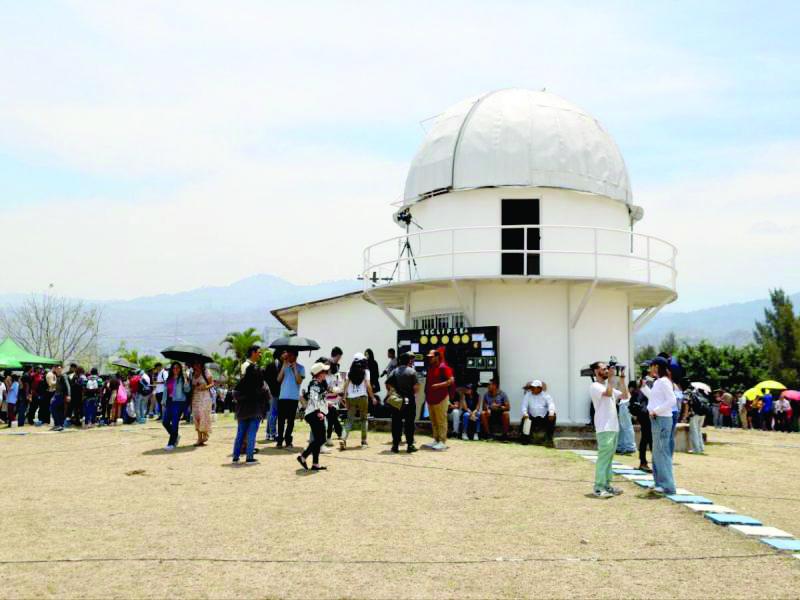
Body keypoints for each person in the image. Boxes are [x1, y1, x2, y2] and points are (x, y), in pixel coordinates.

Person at [589, 362, 627, 498]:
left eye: (607, 369)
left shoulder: (606, 385)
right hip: (604, 428)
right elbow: (608, 393)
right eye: (603, 369)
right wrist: (611, 379)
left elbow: (625, 396)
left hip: (613, 427)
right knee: (603, 458)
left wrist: (622, 380)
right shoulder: (595, 386)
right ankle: (598, 487)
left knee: (609, 458)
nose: (606, 370)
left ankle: (607, 485)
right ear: (595, 371)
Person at [641, 357, 677, 495]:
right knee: (657, 452)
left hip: (661, 419)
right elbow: (654, 399)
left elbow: (672, 400)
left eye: (652, 366)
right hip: (656, 418)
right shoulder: (658, 382)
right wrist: (644, 387)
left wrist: (656, 411)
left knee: (662, 452)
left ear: (657, 366)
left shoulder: (663, 382)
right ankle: (659, 483)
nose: (650, 368)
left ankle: (667, 485)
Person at [232, 345, 267, 464]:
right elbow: (262, 394)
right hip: (254, 408)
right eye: (259, 352)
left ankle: (236, 457)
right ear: (253, 353)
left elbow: (237, 392)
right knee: (251, 433)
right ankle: (249, 457)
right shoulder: (251, 371)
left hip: (242, 409)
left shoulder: (240, 384)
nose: (260, 354)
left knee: (240, 433)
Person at [297, 362, 330, 471]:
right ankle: (303, 457)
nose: (326, 373)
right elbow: (315, 398)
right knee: (321, 439)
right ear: (319, 373)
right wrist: (318, 412)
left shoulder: (318, 384)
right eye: (324, 371)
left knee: (318, 439)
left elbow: (318, 399)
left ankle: (315, 464)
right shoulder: (315, 384)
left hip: (314, 413)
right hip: (314, 414)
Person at [385, 351, 419, 453]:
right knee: (409, 423)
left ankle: (395, 445)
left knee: (396, 422)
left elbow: (387, 384)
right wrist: (412, 394)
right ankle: (410, 445)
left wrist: (392, 392)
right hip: (409, 400)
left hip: (397, 401)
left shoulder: (394, 371)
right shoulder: (412, 372)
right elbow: (416, 387)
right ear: (408, 361)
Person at [340, 353, 376, 450]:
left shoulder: (349, 371)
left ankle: (343, 438)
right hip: (363, 397)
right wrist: (372, 397)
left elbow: (346, 385)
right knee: (364, 419)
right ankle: (364, 441)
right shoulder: (366, 371)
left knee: (349, 420)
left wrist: (344, 396)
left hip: (351, 398)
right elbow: (368, 386)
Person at [424, 347, 454, 451]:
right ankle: (436, 440)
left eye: (431, 357)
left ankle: (442, 441)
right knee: (433, 421)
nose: (430, 358)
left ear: (437, 357)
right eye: (429, 357)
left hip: (441, 398)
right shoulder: (430, 367)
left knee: (441, 420)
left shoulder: (443, 367)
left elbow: (451, 380)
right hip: (431, 399)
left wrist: (438, 385)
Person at [276, 350, 305, 449]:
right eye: (288, 355)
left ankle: (288, 440)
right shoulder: (284, 366)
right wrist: (284, 365)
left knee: (291, 421)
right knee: (280, 420)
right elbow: (278, 379)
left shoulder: (301, 368)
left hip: (293, 398)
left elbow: (299, 381)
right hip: (282, 397)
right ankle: (279, 440)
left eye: (290, 355)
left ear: (295, 356)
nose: (288, 356)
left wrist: (295, 369)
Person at [164, 362, 190, 450]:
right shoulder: (169, 378)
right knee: (165, 422)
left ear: (180, 369)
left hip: (179, 402)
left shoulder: (183, 378)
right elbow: (165, 390)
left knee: (175, 423)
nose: (175, 369)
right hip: (169, 402)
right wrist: (163, 401)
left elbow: (187, 390)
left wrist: (186, 381)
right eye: (174, 368)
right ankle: (176, 436)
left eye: (177, 368)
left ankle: (171, 443)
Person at [629, 380, 652, 472]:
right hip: (647, 417)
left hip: (643, 417)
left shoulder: (637, 393)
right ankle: (644, 462)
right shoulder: (642, 393)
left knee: (645, 439)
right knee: (649, 439)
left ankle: (643, 462)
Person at [190, 360, 214, 446]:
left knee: (203, 416)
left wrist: (205, 387)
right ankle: (200, 438)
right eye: (195, 363)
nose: (196, 365)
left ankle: (205, 434)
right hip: (195, 398)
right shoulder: (192, 374)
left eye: (198, 363)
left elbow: (212, 383)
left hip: (205, 397)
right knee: (196, 417)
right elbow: (192, 387)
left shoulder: (206, 372)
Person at [324, 347, 345, 447]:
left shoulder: (336, 372)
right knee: (331, 417)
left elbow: (340, 384)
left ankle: (331, 436)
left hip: (334, 399)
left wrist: (338, 391)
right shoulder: (325, 370)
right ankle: (331, 436)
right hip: (325, 400)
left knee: (332, 417)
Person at [263, 350, 283, 441]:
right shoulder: (279, 365)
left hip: (274, 392)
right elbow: (266, 378)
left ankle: (268, 433)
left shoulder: (271, 365)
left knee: (272, 413)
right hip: (275, 393)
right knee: (274, 413)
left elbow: (266, 378)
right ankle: (273, 433)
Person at [50, 365, 71, 432]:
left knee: (54, 408)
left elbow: (68, 386)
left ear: (62, 369)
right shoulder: (58, 376)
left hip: (62, 396)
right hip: (58, 395)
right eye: (56, 368)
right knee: (57, 410)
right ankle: (58, 425)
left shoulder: (63, 376)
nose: (58, 370)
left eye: (59, 368)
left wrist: (68, 395)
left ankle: (59, 425)